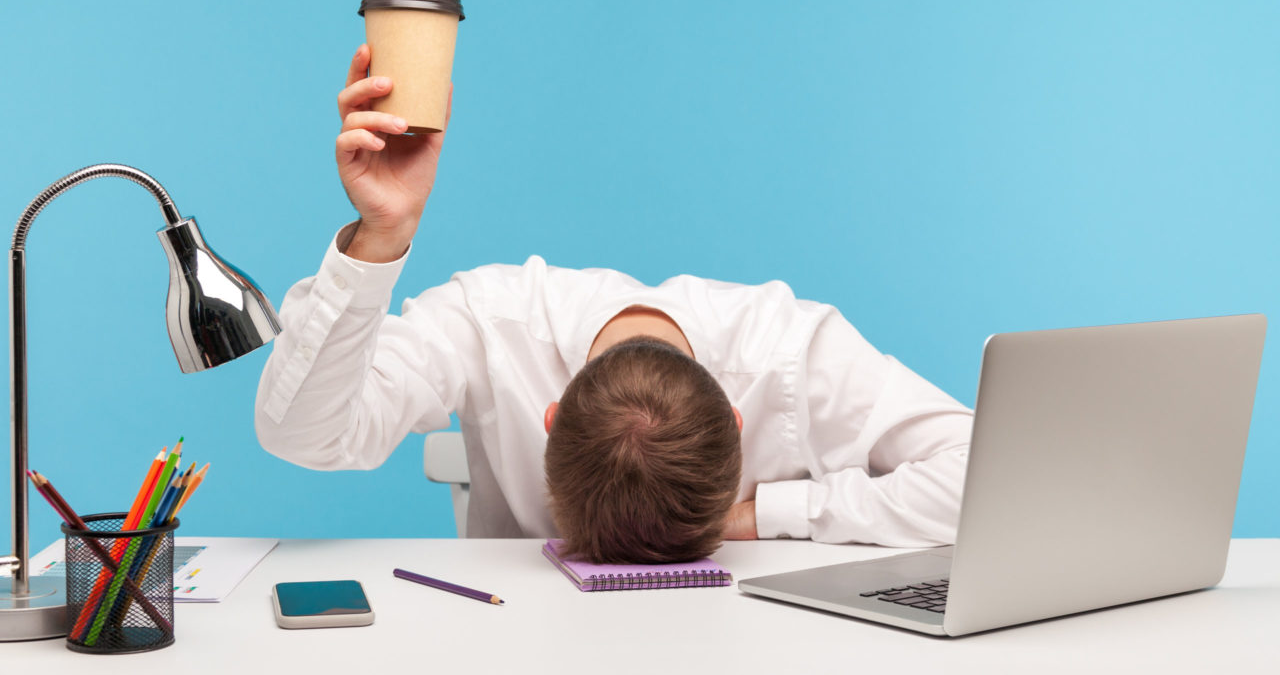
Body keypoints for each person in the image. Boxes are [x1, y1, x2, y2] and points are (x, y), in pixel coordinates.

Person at [255, 46, 973, 563]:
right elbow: (303, 436)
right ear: (734, 418)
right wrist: (379, 238)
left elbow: (985, 471)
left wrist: (768, 516)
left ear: (553, 420)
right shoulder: (488, 319)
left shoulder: (790, 348)